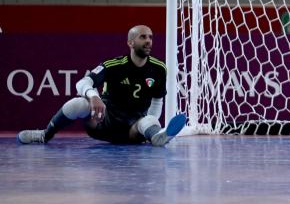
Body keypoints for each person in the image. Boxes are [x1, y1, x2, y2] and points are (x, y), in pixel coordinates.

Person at [17, 25, 186, 146]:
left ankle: (156, 136)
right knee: (79, 103)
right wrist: (94, 96)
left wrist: (151, 124)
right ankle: (44, 135)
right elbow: (83, 83)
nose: (148, 41)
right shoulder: (113, 65)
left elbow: (157, 101)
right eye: (143, 37)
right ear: (130, 43)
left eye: (150, 37)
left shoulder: (159, 68)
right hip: (103, 121)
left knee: (149, 119)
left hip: (133, 128)